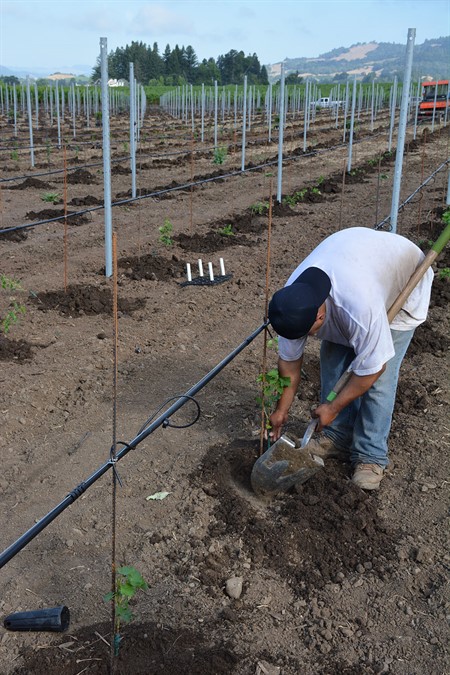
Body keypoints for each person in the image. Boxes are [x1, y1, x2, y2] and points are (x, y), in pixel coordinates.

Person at [267, 227, 433, 490]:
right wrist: (281, 411)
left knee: (379, 381)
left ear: (320, 317)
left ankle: (371, 455)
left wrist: (332, 407)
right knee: (333, 358)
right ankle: (338, 435)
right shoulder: (290, 305)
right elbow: (289, 365)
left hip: (404, 280)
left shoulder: (359, 307)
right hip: (359, 260)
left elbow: (372, 369)